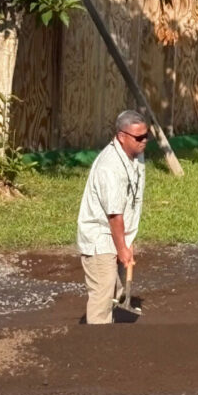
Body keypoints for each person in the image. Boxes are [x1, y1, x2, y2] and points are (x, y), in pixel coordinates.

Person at [76, 110, 149, 324]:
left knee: (113, 290)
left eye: (146, 136)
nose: (144, 141)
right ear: (121, 136)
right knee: (102, 294)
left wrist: (127, 240)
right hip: (100, 236)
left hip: (116, 233)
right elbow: (114, 215)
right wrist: (123, 249)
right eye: (138, 138)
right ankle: (98, 345)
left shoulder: (135, 153)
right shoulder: (110, 168)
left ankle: (111, 327)